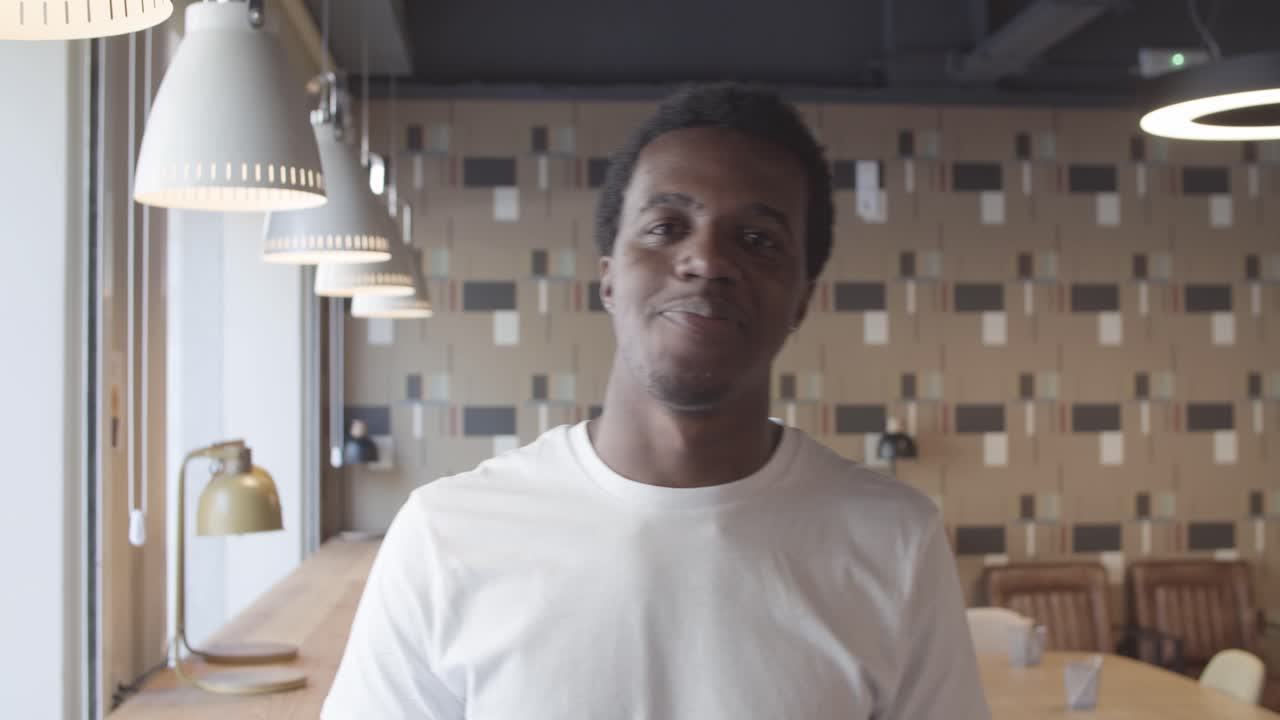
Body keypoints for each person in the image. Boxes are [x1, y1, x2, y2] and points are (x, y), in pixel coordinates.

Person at [322, 83, 990, 720]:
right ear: (609, 277)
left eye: (758, 240)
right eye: (666, 226)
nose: (706, 259)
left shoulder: (894, 540)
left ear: (802, 301)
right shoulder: (446, 534)